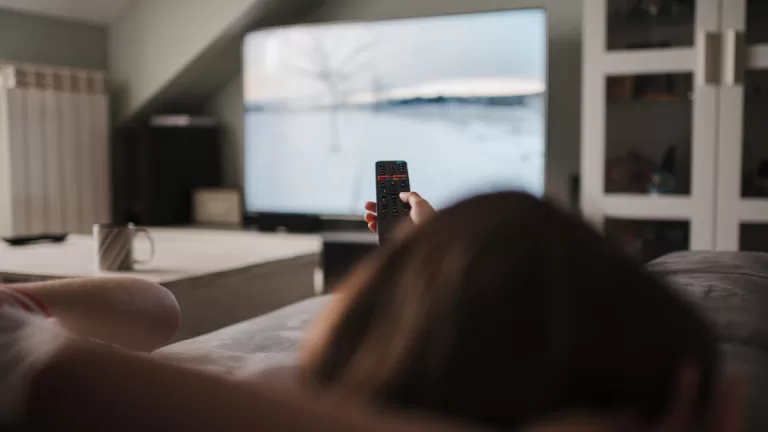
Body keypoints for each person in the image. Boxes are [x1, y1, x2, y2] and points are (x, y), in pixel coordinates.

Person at [0, 192, 744, 431]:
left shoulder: (277, 386)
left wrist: (428, 260)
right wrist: (433, 259)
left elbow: (51, 343)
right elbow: (131, 318)